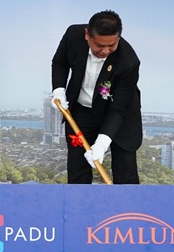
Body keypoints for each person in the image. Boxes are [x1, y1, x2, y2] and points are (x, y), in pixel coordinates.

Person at [51, 10, 143, 184]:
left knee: (126, 172)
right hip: (82, 112)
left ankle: (127, 210)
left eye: (112, 45)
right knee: (78, 168)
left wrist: (101, 144)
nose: (105, 51)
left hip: (119, 116)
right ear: (87, 35)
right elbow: (60, 62)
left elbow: (119, 108)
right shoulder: (73, 36)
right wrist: (59, 90)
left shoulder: (128, 61)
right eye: (100, 45)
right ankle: (79, 208)